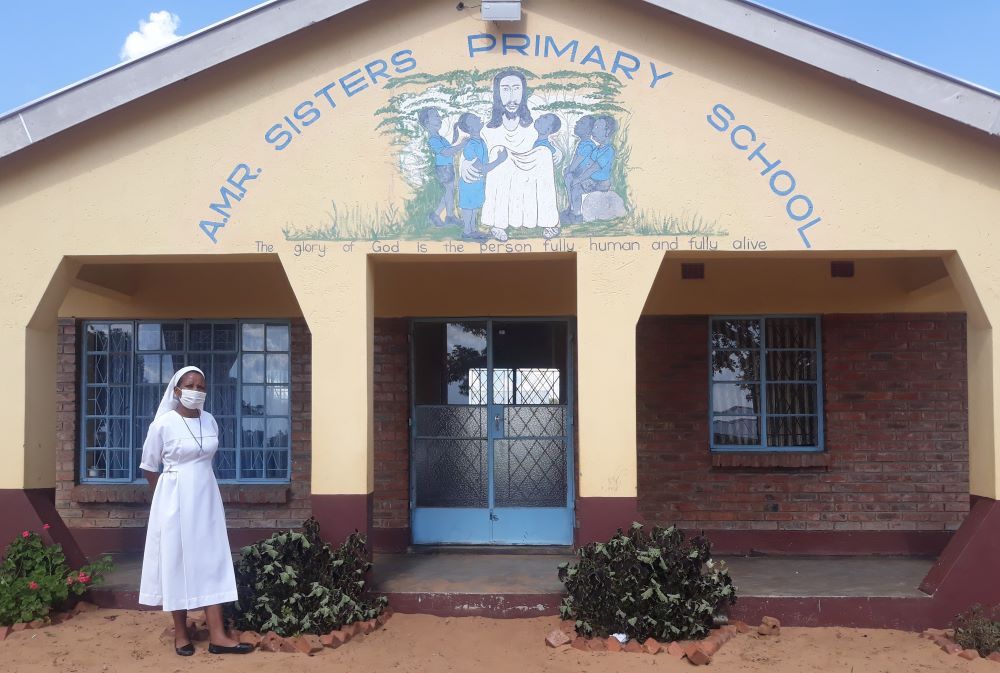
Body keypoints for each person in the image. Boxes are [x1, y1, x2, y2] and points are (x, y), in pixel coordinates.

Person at [138, 366, 252, 656]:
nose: (196, 391)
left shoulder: (211, 421)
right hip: (174, 500)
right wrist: (165, 497)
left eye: (201, 387)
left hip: (206, 499)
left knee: (211, 560)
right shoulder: (162, 425)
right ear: (176, 391)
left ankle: (218, 636)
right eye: (190, 385)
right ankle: (181, 633)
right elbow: (150, 468)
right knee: (176, 560)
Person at [479, 69, 561, 241]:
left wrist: (556, 152)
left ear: (523, 92)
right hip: (504, 170)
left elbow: (545, 144)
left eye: (516, 89)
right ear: (497, 93)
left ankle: (549, 222)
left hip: (529, 171)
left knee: (544, 153)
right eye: (506, 89)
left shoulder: (534, 125)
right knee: (498, 154)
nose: (511, 96)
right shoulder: (487, 129)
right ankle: (498, 223)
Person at [456, 112, 508, 241]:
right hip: (469, 182)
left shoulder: (481, 141)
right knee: (469, 207)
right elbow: (482, 167)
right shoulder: (470, 145)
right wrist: (499, 160)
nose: (479, 117)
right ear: (470, 127)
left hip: (477, 181)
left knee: (474, 206)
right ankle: (467, 231)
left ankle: (473, 230)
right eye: (474, 118)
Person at [418, 107, 467, 228]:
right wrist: (461, 145)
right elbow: (446, 152)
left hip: (447, 167)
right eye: (435, 116)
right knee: (448, 192)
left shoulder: (441, 138)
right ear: (427, 123)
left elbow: (450, 148)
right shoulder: (433, 139)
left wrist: (458, 138)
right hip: (442, 168)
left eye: (439, 116)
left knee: (449, 192)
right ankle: (445, 216)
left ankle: (444, 215)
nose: (439, 118)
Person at [564, 114, 618, 224]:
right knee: (575, 186)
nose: (593, 130)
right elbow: (588, 165)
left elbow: (593, 168)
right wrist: (580, 178)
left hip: (602, 183)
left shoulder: (608, 150)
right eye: (594, 127)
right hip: (592, 180)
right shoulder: (597, 149)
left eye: (597, 128)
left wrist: (578, 179)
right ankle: (575, 212)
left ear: (607, 132)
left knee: (576, 187)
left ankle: (577, 215)